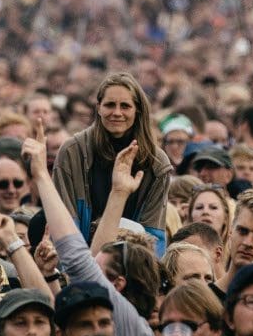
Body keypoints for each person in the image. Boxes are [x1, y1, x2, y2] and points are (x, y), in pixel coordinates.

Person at [51, 73, 173, 247]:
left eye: (125, 106)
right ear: (98, 107)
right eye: (110, 105)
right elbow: (64, 223)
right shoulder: (73, 152)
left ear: (137, 109)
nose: (117, 113)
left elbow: (154, 234)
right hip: (80, 255)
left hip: (133, 259)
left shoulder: (156, 162)